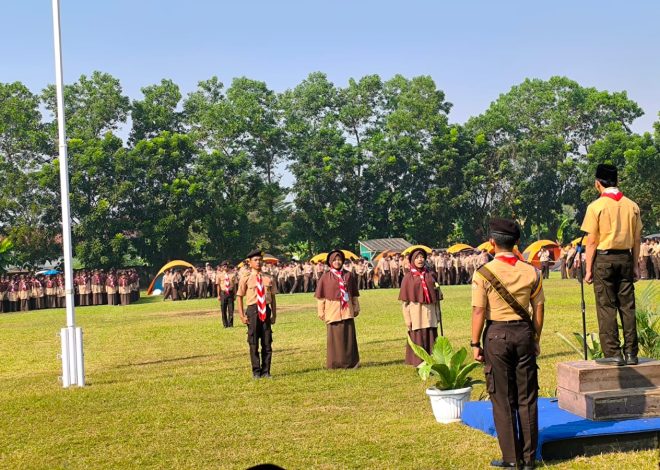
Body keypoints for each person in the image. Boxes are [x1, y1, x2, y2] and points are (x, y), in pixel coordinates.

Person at [471, 218, 544, 469]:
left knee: (502, 398)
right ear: (517, 243)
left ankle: (511, 458)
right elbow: (539, 309)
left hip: (497, 335)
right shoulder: (532, 271)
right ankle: (529, 458)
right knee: (527, 397)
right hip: (524, 333)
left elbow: (479, 312)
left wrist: (474, 343)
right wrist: (535, 337)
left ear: (492, 243)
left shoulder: (483, 273)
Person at [581, 163, 642, 366]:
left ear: (598, 183)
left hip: (604, 259)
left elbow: (592, 241)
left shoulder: (595, 207)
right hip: (625, 258)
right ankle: (632, 353)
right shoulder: (632, 206)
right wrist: (635, 265)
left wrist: (588, 269)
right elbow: (636, 239)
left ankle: (613, 353)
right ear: (617, 181)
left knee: (606, 306)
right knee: (628, 306)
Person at [315, 249, 361, 369]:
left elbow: (354, 294)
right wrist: (321, 312)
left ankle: (352, 362)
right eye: (334, 260)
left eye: (339, 259)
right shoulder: (325, 277)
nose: (337, 262)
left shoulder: (348, 275)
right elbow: (321, 297)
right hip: (333, 312)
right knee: (335, 339)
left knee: (349, 337)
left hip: (347, 311)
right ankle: (335, 363)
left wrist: (356, 307)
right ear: (330, 261)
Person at [237, 250, 278, 379]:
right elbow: (239, 297)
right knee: (253, 342)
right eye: (255, 260)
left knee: (267, 341)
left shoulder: (268, 277)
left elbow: (273, 297)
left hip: (265, 310)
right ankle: (256, 371)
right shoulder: (246, 278)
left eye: (260, 260)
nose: (258, 262)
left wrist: (274, 314)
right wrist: (242, 315)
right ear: (249, 262)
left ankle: (266, 371)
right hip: (253, 310)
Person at [399, 248, 441, 366]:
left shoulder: (430, 275)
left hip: (430, 311)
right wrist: (407, 319)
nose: (420, 260)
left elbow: (437, 297)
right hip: (416, 312)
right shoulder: (408, 277)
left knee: (431, 333)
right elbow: (405, 302)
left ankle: (433, 359)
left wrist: (437, 313)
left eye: (422, 257)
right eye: (417, 257)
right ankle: (418, 361)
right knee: (418, 334)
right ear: (412, 260)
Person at [217, 264, 236, 328]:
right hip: (223, 293)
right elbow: (218, 286)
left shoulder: (232, 274)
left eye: (227, 266)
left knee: (231, 309)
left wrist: (235, 294)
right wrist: (218, 295)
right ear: (222, 267)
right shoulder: (219, 275)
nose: (226, 267)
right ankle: (225, 324)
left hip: (230, 293)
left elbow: (234, 285)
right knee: (223, 309)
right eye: (224, 266)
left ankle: (230, 324)